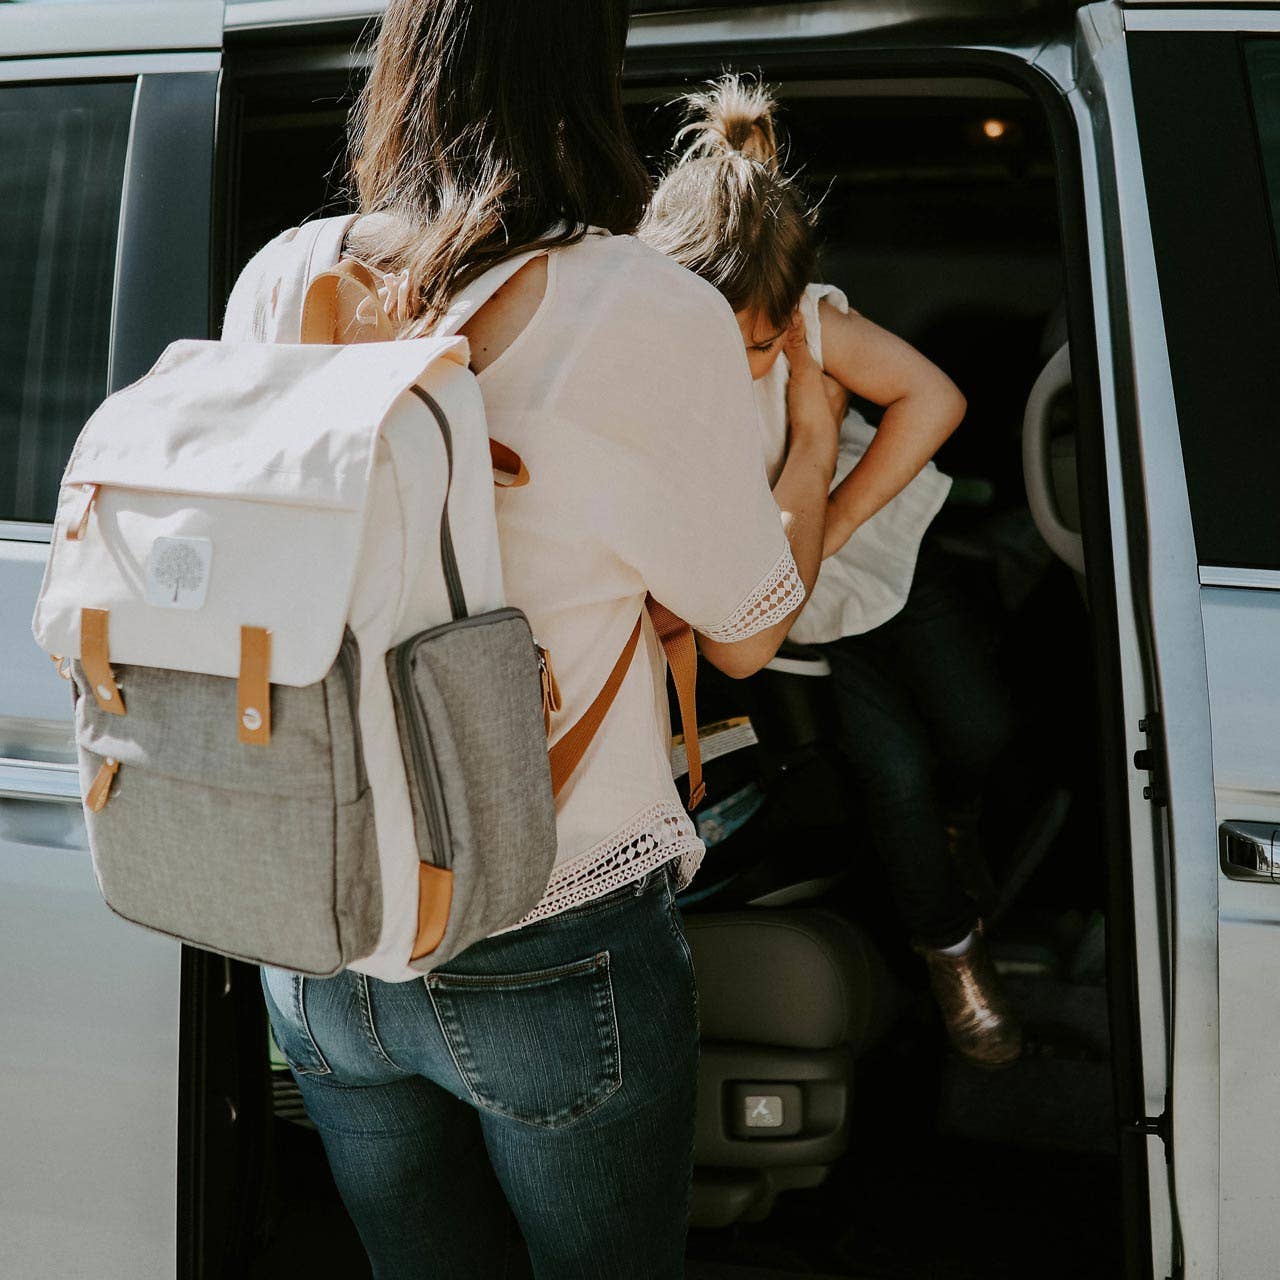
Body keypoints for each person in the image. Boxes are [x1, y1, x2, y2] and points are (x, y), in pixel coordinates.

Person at [224, 9, 841, 1279]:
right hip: (547, 927)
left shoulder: (282, 276)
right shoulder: (642, 307)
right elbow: (745, 635)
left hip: (324, 924)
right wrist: (818, 451)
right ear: (589, 73)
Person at [639, 75, 1022, 1069]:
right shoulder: (649, 379)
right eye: (727, 346)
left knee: (980, 728)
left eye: (762, 345)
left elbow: (933, 400)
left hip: (877, 548)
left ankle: (959, 823)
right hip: (799, 613)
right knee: (888, 774)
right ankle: (951, 953)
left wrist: (834, 520)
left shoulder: (807, 325)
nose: (750, 364)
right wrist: (787, 555)